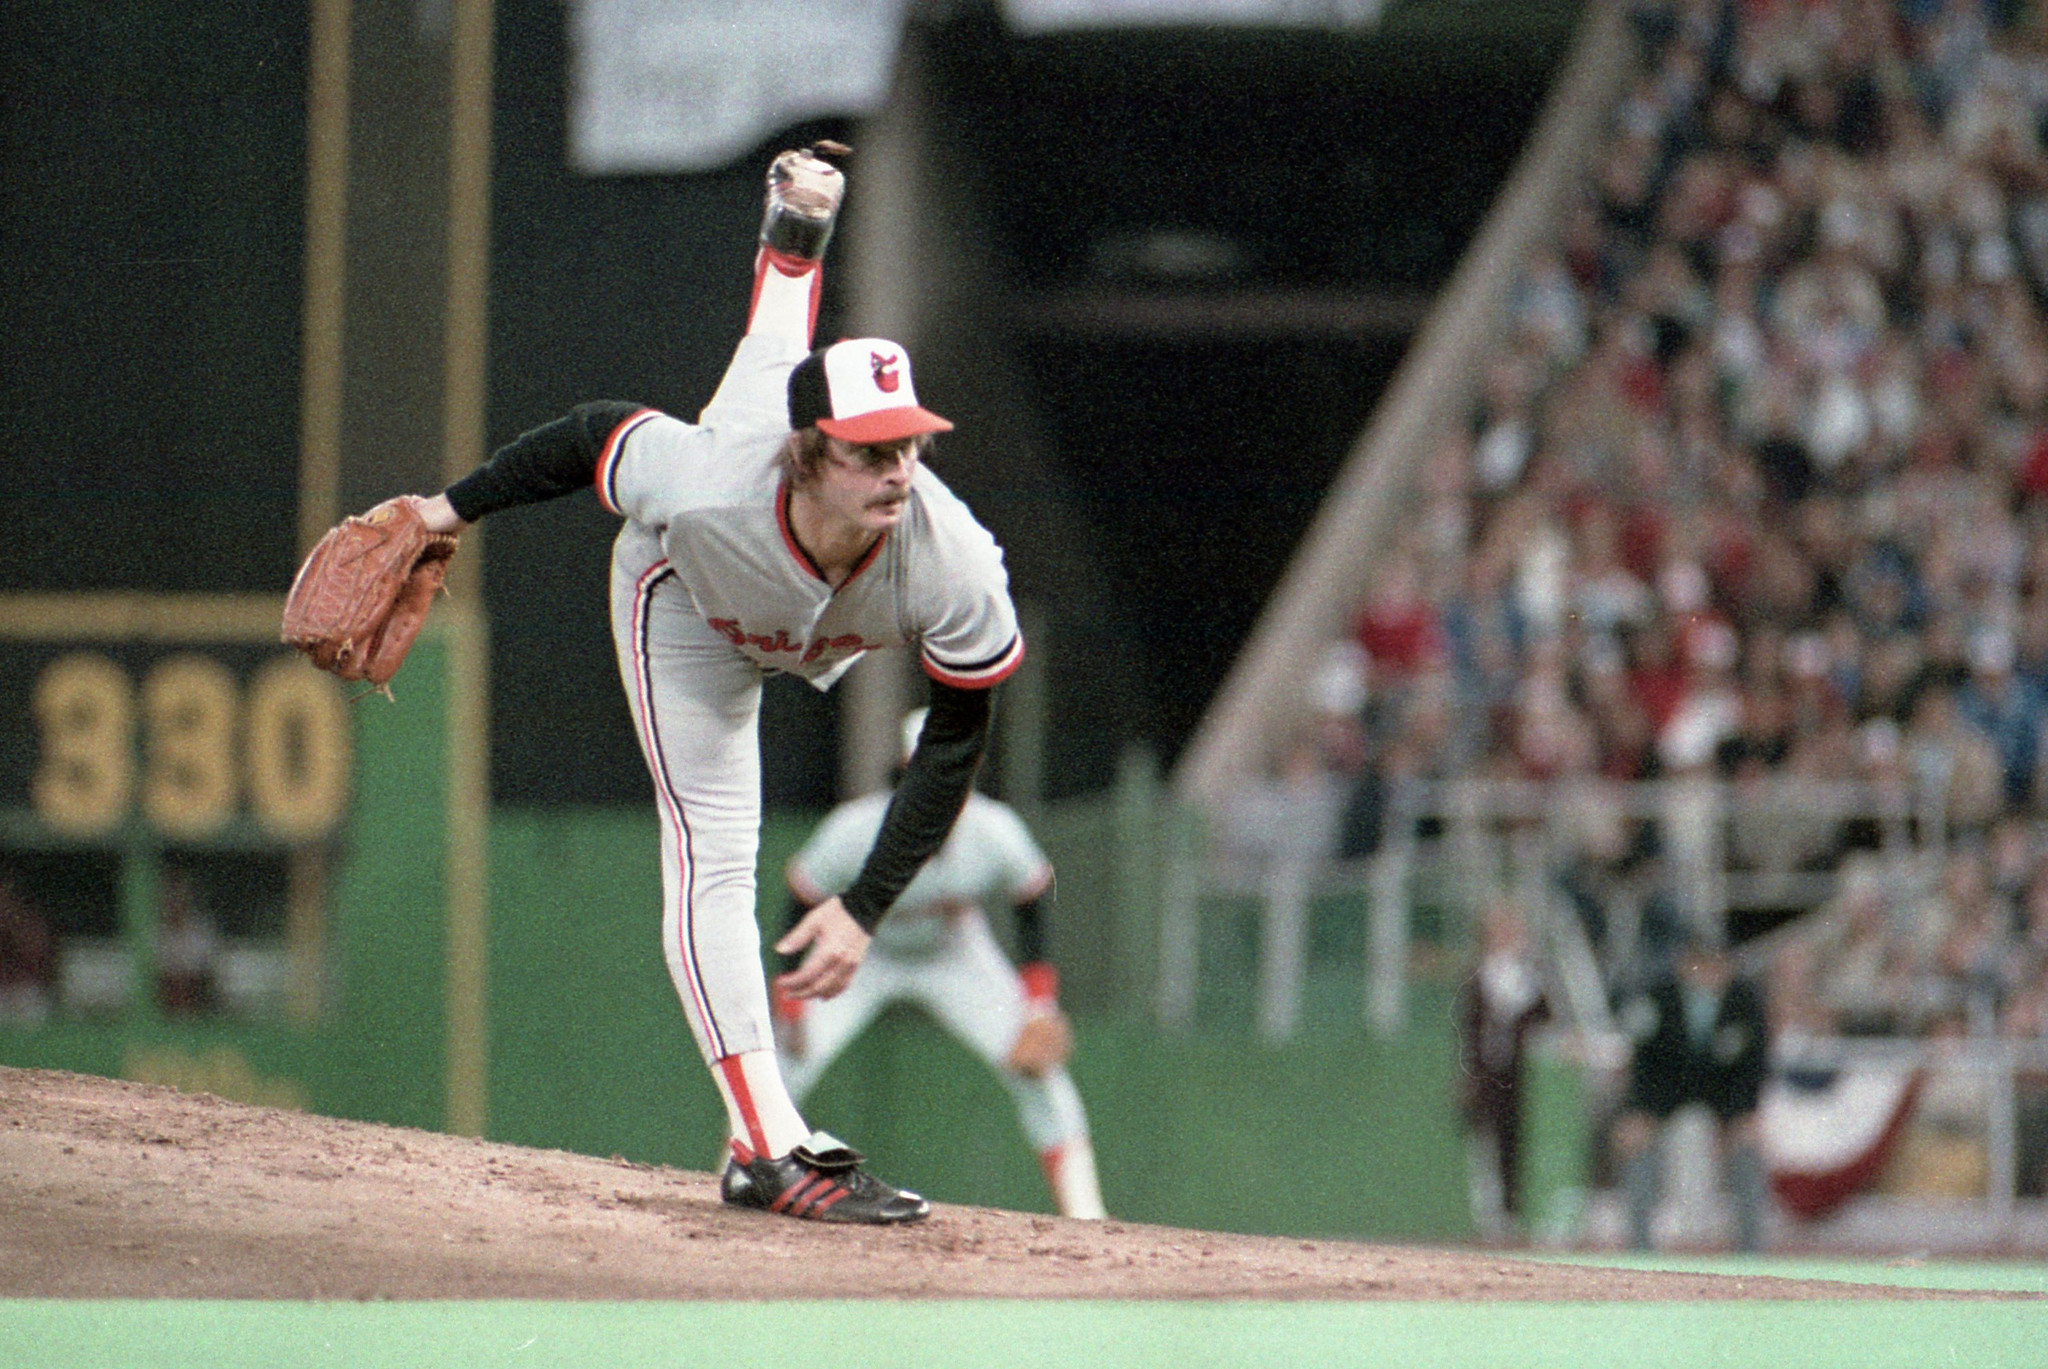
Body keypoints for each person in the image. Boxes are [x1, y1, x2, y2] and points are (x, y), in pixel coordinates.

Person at [409, 145, 1025, 1225]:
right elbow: (588, 436)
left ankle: (795, 239)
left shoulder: (954, 559)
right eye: (869, 451)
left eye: (909, 447)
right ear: (811, 454)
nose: (896, 471)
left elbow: (955, 740)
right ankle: (766, 1145)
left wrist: (864, 904)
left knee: (771, 348)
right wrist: (444, 513)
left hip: (808, 593)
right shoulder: (709, 492)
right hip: (685, 597)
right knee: (714, 852)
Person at [776, 709, 1108, 1220]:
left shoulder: (991, 831)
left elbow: (1032, 899)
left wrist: (1040, 1003)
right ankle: (740, 1184)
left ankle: (1088, 1217)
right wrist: (792, 1008)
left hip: (954, 953)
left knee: (1042, 1073)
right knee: (779, 1070)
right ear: (903, 775)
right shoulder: (855, 829)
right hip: (865, 952)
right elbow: (799, 899)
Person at [1610, 934, 1772, 1252]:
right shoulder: (1659, 999)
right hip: (1665, 1097)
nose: (1709, 972)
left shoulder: (1745, 1000)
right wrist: (1640, 1113)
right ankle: (1639, 1248)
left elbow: (1752, 1066)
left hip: (1725, 1100)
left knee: (1747, 1147)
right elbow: (1644, 1064)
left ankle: (1751, 1251)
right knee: (1637, 1143)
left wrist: (1744, 1115)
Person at [1456, 898, 1547, 1244]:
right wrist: (1466, 1073)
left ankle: (1517, 1216)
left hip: (1524, 1073)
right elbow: (1466, 1029)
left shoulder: (1533, 972)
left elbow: (1545, 1017)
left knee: (1519, 1143)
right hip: (1487, 1071)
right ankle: (1491, 1219)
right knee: (1487, 1144)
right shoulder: (1476, 974)